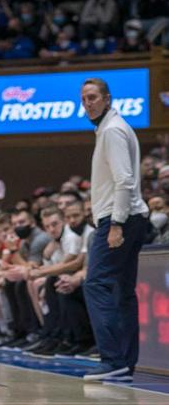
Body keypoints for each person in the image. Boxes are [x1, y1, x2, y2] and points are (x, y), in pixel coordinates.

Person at [81, 78, 148, 382]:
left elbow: (125, 180)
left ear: (107, 99)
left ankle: (112, 360)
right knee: (122, 292)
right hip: (127, 217)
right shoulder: (111, 128)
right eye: (84, 98)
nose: (88, 103)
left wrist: (117, 223)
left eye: (93, 97)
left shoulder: (112, 130)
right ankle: (124, 363)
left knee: (96, 284)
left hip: (119, 219)